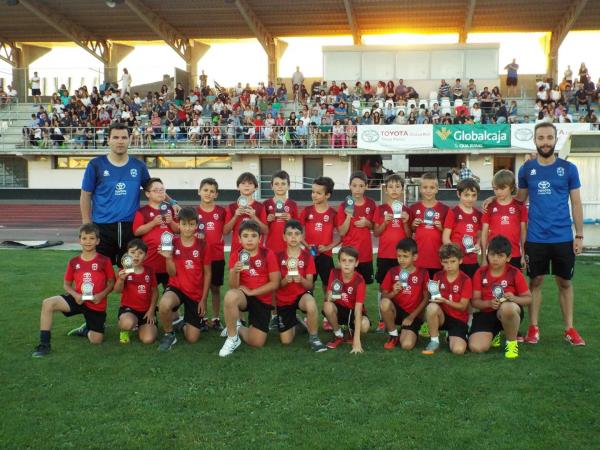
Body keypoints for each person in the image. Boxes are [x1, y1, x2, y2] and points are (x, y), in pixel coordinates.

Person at [517, 122, 585, 345]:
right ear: (535, 140)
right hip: (536, 237)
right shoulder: (526, 169)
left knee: (564, 282)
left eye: (549, 137)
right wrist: (495, 198)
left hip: (563, 237)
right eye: (541, 138)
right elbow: (519, 200)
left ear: (555, 139)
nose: (545, 142)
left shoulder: (568, 168)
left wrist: (579, 235)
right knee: (535, 281)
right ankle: (533, 328)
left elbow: (575, 203)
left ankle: (569, 329)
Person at [81, 123, 162, 266]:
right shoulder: (95, 165)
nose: (120, 141)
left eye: (124, 137)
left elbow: (154, 189)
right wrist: (87, 225)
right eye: (116, 137)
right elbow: (85, 195)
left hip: (131, 228)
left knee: (129, 271)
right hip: (102, 228)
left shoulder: (139, 166)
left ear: (129, 139)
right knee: (98, 271)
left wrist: (172, 203)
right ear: (108, 139)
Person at [32, 224, 115, 357]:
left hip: (96, 303)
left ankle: (86, 329)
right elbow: (66, 284)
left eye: (92, 238)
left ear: (98, 241)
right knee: (48, 303)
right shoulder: (73, 262)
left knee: (96, 340)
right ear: (80, 240)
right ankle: (44, 345)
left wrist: (101, 295)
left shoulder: (104, 261)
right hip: (78, 299)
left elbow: (111, 282)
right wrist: (76, 295)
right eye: (84, 238)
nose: (88, 241)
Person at [219, 221, 280, 357]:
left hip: (262, 298)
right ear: (239, 239)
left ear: (260, 238)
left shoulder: (268, 254)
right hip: (244, 297)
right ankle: (232, 338)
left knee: (257, 342)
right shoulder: (236, 254)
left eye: (253, 235)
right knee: (230, 296)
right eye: (245, 236)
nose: (250, 239)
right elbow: (233, 287)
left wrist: (253, 292)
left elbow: (275, 283)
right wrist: (235, 271)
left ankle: (238, 328)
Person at [157, 207, 212, 351]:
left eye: (192, 224)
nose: (188, 228)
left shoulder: (203, 245)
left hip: (195, 292)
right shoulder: (172, 243)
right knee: (164, 304)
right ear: (179, 224)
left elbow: (207, 273)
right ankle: (169, 334)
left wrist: (203, 299)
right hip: (177, 287)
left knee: (192, 338)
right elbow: (172, 274)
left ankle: (183, 324)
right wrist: (168, 259)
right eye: (184, 224)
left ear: (196, 225)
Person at [468, 236, 532, 359]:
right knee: (476, 348)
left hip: (509, 310)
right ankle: (494, 332)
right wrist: (488, 304)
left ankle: (512, 344)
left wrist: (513, 298)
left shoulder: (514, 272)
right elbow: (475, 301)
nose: (495, 259)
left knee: (507, 307)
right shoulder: (480, 272)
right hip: (487, 313)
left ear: (508, 258)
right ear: (487, 254)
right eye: (492, 255)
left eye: (500, 255)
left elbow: (528, 299)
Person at [275, 220, 327, 352]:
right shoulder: (277, 257)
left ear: (302, 237)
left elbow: (309, 285)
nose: (293, 237)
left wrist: (301, 279)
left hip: (300, 295)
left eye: (297, 234)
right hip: (283, 299)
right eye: (290, 234)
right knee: (286, 341)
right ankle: (297, 322)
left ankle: (314, 338)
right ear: (284, 237)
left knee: (310, 303)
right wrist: (285, 280)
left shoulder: (308, 257)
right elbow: (276, 285)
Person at [299, 176, 339, 330]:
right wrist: (307, 245)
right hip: (310, 255)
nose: (314, 195)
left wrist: (329, 247)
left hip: (326, 256)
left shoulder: (333, 214)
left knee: (327, 286)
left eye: (318, 193)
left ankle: (327, 316)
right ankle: (309, 315)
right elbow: (297, 232)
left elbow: (342, 236)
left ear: (327, 195)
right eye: (313, 192)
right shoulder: (307, 211)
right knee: (309, 285)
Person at [373, 173, 411, 332]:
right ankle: (382, 319)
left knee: (403, 286)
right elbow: (376, 232)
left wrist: (406, 221)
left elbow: (409, 236)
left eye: (397, 187)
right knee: (384, 287)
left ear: (402, 190)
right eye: (391, 187)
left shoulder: (406, 210)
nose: (394, 190)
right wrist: (385, 222)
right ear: (386, 190)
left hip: (402, 258)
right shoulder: (380, 209)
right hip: (384, 255)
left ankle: (401, 317)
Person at [379, 238, 429, 351]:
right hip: (397, 312)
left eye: (405, 256)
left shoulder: (423, 273)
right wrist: (393, 292)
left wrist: (412, 317)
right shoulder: (392, 272)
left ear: (414, 257)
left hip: (413, 313)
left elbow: (426, 299)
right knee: (385, 303)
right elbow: (383, 297)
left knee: (407, 345)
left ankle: (408, 331)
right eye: (399, 256)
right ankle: (393, 335)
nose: (401, 259)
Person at [422, 244, 471, 355]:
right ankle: (434, 341)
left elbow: (463, 306)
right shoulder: (437, 276)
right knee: (432, 307)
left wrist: (445, 301)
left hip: (458, 319)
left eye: (453, 261)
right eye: (445, 262)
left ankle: (453, 336)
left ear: (460, 260)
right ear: (441, 262)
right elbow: (434, 298)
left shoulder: (466, 279)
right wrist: (433, 296)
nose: (449, 265)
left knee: (458, 350)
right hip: (442, 317)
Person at [132, 178, 179, 290]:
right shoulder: (142, 212)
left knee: (171, 292)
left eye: (162, 190)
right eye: (156, 190)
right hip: (150, 261)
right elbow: (136, 231)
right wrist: (152, 223)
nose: (160, 192)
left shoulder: (170, 209)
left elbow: (178, 230)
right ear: (148, 194)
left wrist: (171, 221)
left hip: (168, 260)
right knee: (150, 293)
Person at [323, 246, 370, 353]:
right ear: (339, 262)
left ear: (356, 263)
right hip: (340, 309)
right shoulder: (334, 273)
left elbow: (358, 310)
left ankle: (353, 333)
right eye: (343, 260)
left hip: (353, 311)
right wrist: (330, 296)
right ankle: (338, 334)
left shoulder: (359, 280)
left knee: (365, 326)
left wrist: (357, 340)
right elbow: (328, 297)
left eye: (350, 261)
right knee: (327, 305)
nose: (347, 264)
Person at [196, 178, 227, 331]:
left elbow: (227, 230)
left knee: (215, 288)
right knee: (201, 288)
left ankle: (215, 318)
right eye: (205, 190)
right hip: (198, 257)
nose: (208, 193)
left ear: (216, 194)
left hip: (216, 256)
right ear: (199, 191)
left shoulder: (222, 211)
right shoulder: (194, 212)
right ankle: (202, 318)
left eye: (212, 191)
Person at [114, 239, 158, 345]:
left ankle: (140, 326)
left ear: (146, 256)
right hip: (129, 310)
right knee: (128, 323)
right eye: (133, 252)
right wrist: (121, 279)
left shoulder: (149, 270)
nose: (136, 256)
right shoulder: (123, 271)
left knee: (148, 339)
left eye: (140, 253)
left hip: (146, 311)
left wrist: (151, 310)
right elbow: (117, 290)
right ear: (127, 255)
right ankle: (124, 331)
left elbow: (155, 292)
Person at [336, 170, 377, 285]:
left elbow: (375, 228)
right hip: (348, 255)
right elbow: (342, 232)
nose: (357, 189)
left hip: (365, 254)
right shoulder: (343, 206)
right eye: (354, 186)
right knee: (347, 285)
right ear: (349, 186)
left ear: (366, 187)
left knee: (363, 286)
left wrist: (367, 223)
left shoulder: (371, 204)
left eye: (361, 186)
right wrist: (348, 216)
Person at [481, 170, 527, 270]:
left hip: (514, 254)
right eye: (495, 189)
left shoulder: (520, 207)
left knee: (513, 284)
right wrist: (484, 257)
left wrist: (523, 255)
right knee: (493, 284)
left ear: (511, 188)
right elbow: (484, 234)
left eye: (502, 188)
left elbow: (524, 232)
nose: (498, 192)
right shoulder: (489, 206)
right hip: (494, 256)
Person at [410, 173, 449, 279]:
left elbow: (449, 234)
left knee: (435, 292)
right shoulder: (413, 208)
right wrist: (413, 226)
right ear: (420, 189)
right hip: (419, 259)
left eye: (432, 187)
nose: (428, 190)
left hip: (437, 259)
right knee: (419, 292)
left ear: (437, 189)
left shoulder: (445, 209)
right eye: (425, 187)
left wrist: (441, 228)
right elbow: (409, 233)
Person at [442, 178, 482, 278]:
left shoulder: (478, 214)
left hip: (472, 260)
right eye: (466, 195)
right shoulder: (453, 212)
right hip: (456, 262)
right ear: (458, 194)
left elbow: (480, 235)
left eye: (474, 195)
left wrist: (478, 244)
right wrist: (454, 253)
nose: (470, 199)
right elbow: (445, 238)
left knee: (472, 290)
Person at [223, 172, 268, 255]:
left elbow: (265, 231)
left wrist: (254, 217)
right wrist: (235, 216)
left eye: (250, 183)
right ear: (238, 187)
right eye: (243, 183)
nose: (246, 186)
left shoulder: (260, 207)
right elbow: (225, 231)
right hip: (237, 250)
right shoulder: (231, 207)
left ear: (255, 188)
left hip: (257, 252)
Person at [263, 170, 299, 255]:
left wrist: (290, 219)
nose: (280, 187)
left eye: (283, 184)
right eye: (276, 184)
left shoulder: (292, 204)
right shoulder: (266, 204)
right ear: (271, 186)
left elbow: (298, 227)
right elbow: (262, 228)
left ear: (288, 186)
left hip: (289, 246)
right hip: (271, 246)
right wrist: (267, 220)